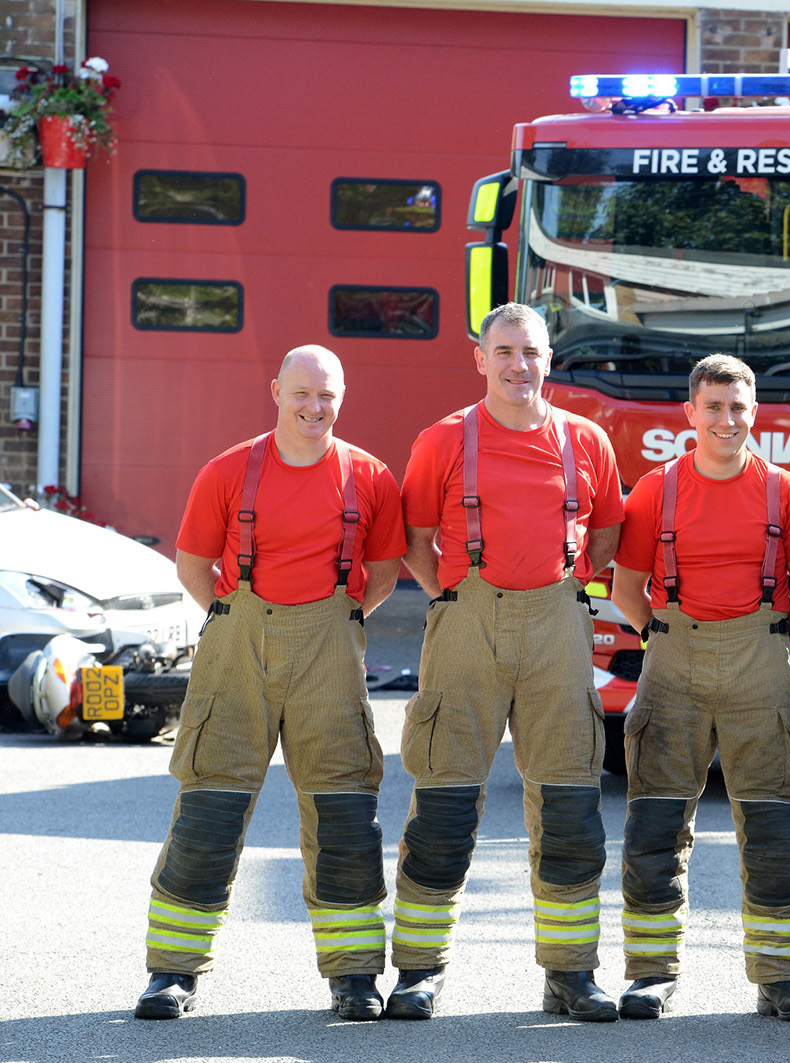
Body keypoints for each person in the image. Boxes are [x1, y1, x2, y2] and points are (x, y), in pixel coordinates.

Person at [136, 346, 404, 1021]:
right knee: (209, 811)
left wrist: (330, 625)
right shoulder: (227, 471)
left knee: (344, 816)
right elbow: (194, 566)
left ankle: (354, 977)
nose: (314, 408)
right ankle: (172, 972)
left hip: (329, 651)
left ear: (342, 398)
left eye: (328, 397)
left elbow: (385, 572)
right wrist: (240, 623)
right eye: (302, 394)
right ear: (276, 390)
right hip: (237, 650)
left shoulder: (370, 476)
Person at [389, 303, 625, 1021]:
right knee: (445, 801)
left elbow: (607, 537)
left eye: (532, 351)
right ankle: (419, 971)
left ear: (550, 359)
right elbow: (415, 538)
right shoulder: (441, 440)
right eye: (505, 351)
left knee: (569, 805)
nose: (519, 365)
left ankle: (570, 973)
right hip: (468, 625)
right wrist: (456, 595)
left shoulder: (585, 440)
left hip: (559, 621)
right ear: (480, 358)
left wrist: (562, 586)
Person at [609, 355, 790, 1022]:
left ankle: (779, 976)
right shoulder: (655, 490)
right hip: (673, 656)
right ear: (691, 414)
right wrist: (667, 636)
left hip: (759, 658)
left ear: (754, 411)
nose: (726, 420)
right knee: (655, 822)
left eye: (738, 407)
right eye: (714, 407)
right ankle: (650, 972)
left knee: (773, 823)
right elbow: (625, 589)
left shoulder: (785, 492)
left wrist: (762, 640)